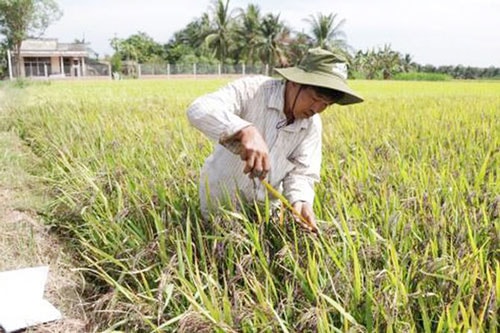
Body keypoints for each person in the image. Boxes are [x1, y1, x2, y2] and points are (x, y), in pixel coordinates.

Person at [187, 48, 364, 232]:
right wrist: (244, 130)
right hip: (221, 207)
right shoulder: (252, 90)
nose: (317, 108)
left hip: (265, 213)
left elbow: (302, 172)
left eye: (326, 105)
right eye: (315, 98)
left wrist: (301, 201)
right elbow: (199, 108)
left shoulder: (311, 125)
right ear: (295, 82)